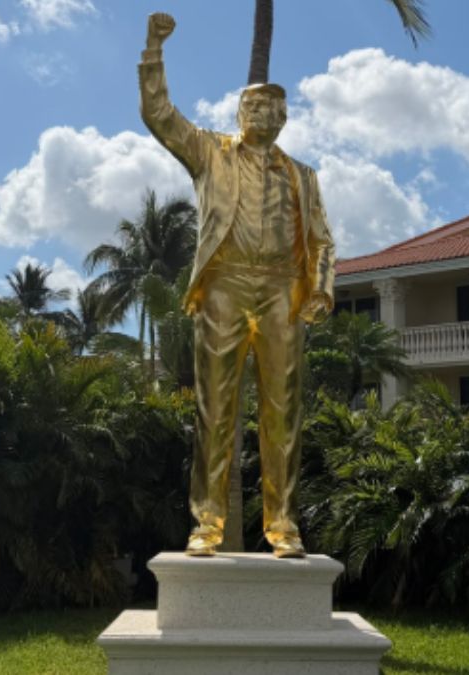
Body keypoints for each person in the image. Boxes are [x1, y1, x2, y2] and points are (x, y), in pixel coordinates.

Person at [139, 12, 336, 558]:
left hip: (281, 291)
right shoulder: (210, 153)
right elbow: (159, 114)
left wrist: (319, 290)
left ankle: (284, 525)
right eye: (254, 106)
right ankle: (207, 523)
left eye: (274, 108)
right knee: (215, 408)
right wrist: (154, 50)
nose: (264, 114)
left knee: (283, 414)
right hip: (225, 284)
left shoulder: (302, 175)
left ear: (285, 117)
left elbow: (321, 240)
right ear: (238, 112)